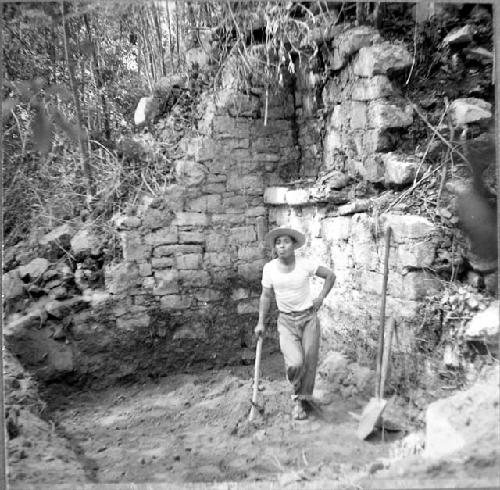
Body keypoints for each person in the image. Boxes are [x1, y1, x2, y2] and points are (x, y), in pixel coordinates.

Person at [255, 227, 336, 420]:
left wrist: (321, 298)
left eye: (286, 242)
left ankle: (302, 400)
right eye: (278, 243)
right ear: (275, 247)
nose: (281, 246)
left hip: (308, 319)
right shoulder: (270, 269)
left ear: (293, 245)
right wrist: (261, 323)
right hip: (286, 321)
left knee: (309, 360)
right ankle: (298, 395)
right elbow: (266, 296)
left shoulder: (305, 264)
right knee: (295, 362)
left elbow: (330, 276)